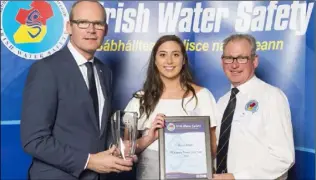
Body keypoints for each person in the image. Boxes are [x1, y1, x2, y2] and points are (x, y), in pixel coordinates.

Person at [20, 1, 134, 179]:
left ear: (106, 30)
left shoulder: (105, 72)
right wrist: (89, 161)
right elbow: (34, 140)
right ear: (69, 27)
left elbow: (95, 131)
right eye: (82, 22)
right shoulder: (46, 69)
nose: (91, 30)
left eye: (98, 23)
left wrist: (121, 148)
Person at [123, 35, 218, 179]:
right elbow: (126, 150)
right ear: (155, 60)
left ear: (183, 59)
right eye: (162, 55)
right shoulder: (140, 100)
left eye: (175, 55)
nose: (169, 61)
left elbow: (212, 146)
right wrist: (149, 138)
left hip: (192, 173)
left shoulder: (203, 96)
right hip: (150, 173)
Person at [213, 34, 295, 180]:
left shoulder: (272, 97)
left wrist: (236, 177)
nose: (234, 65)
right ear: (222, 61)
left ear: (254, 61)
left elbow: (283, 157)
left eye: (242, 58)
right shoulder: (222, 102)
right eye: (229, 58)